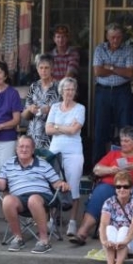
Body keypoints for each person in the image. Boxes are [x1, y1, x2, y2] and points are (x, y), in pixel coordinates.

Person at [69, 126, 133, 246]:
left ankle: (127, 236)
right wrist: (111, 170)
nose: (123, 144)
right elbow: (97, 169)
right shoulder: (114, 154)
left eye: (127, 141)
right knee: (100, 192)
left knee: (131, 194)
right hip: (111, 185)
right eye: (122, 140)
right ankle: (82, 233)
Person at [0, 135, 69, 254]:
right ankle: (18, 238)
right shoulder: (8, 164)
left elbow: (56, 183)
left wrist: (62, 184)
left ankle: (44, 241)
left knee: (33, 199)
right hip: (19, 199)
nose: (24, 149)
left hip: (42, 198)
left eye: (27, 147)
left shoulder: (43, 164)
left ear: (32, 150)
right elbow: (1, 186)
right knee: (7, 200)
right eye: (21, 146)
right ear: (16, 149)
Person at [92, 22, 133, 164]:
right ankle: (98, 165)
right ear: (107, 36)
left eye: (118, 37)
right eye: (112, 37)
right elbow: (98, 71)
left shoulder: (129, 50)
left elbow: (129, 73)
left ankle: (126, 163)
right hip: (103, 92)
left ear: (122, 37)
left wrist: (110, 67)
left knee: (125, 128)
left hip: (122, 92)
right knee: (101, 128)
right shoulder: (100, 49)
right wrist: (118, 69)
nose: (115, 40)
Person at [46, 77, 84, 236]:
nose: (69, 92)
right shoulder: (54, 107)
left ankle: (73, 222)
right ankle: (53, 219)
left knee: (73, 185)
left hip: (73, 152)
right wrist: (64, 127)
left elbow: (74, 131)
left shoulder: (80, 108)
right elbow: (47, 130)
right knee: (54, 184)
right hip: (54, 151)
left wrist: (57, 126)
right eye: (66, 89)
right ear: (61, 91)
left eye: (72, 89)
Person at [99, 171, 133, 264]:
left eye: (125, 186)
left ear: (131, 189)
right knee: (109, 228)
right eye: (118, 186)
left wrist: (124, 242)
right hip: (115, 242)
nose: (122, 189)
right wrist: (104, 241)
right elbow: (103, 224)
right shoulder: (109, 202)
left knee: (124, 229)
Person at [22, 54, 60, 149]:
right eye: (41, 68)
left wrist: (50, 110)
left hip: (51, 136)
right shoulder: (33, 86)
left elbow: (66, 111)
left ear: (52, 69)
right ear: (37, 69)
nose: (43, 71)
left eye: (46, 68)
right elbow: (24, 115)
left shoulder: (59, 87)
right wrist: (30, 109)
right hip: (33, 135)